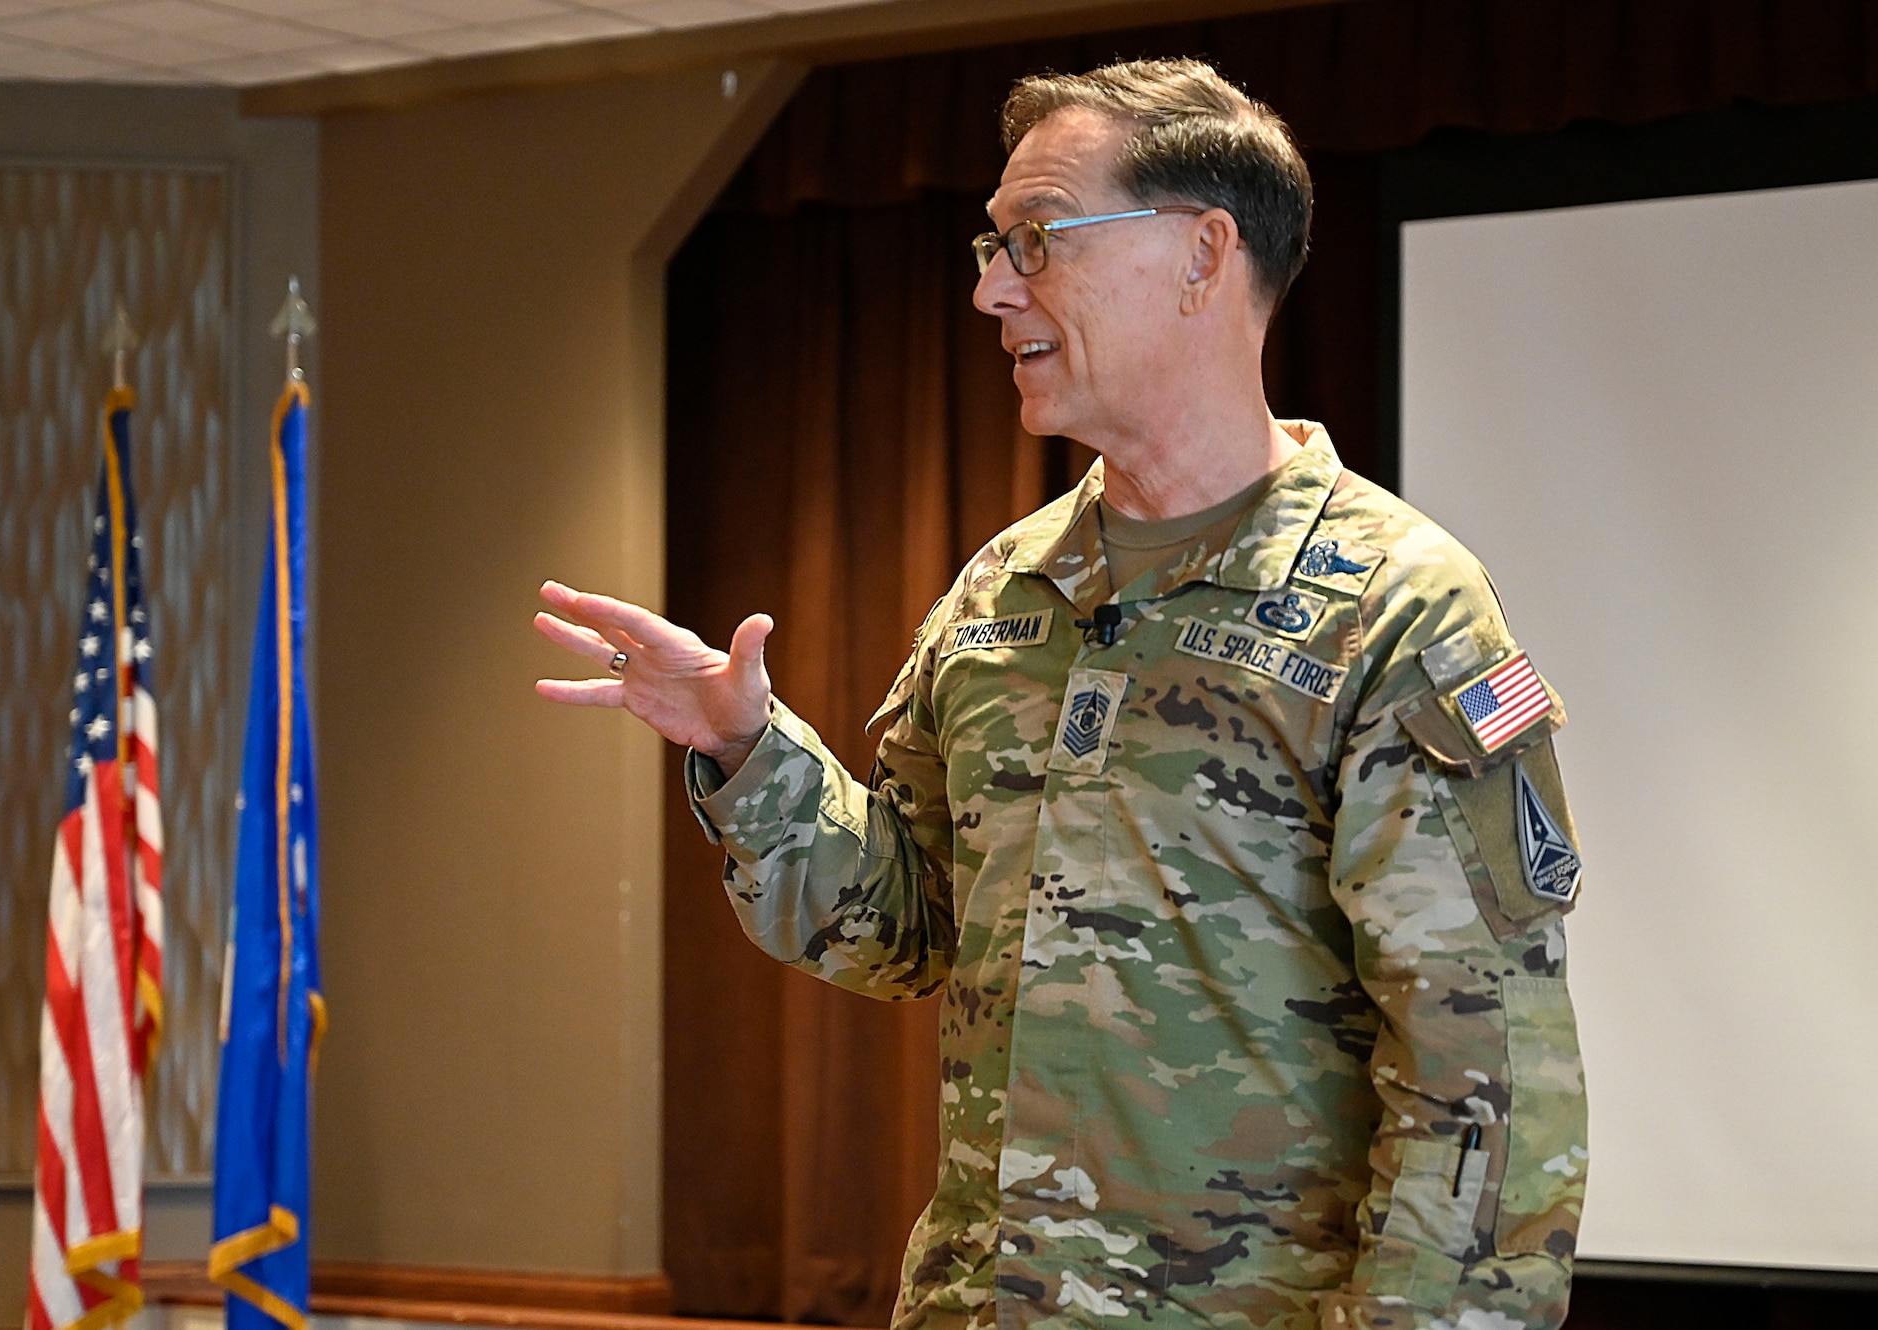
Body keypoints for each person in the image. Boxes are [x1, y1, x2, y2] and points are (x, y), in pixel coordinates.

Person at [536, 58, 1586, 1330]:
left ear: (1203, 254)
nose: (989, 288)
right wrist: (749, 750)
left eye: (1035, 241)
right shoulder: (1005, 594)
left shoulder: (1395, 605)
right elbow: (910, 929)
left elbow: (1482, 1072)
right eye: (993, 245)